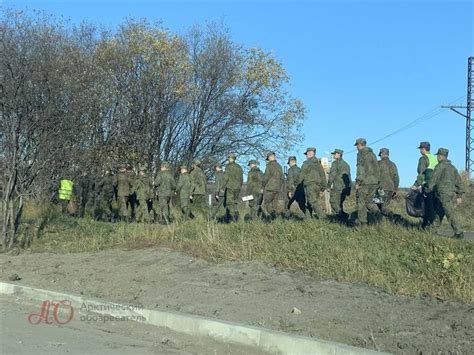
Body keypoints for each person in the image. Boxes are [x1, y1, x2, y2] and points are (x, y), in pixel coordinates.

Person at [426, 148, 465, 239]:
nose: (437, 157)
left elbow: (433, 179)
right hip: (451, 193)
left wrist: (428, 189)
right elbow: (459, 182)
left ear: (440, 156)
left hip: (443, 193)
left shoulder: (440, 166)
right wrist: (459, 195)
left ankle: (458, 232)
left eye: (438, 156)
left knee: (449, 212)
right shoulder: (452, 168)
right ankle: (431, 230)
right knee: (440, 212)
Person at [411, 141, 438, 228]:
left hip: (427, 185)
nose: (420, 151)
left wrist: (416, 184)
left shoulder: (423, 159)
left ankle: (427, 224)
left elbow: (421, 173)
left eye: (420, 149)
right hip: (436, 185)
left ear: (423, 149)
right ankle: (429, 224)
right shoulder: (435, 157)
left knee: (426, 206)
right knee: (433, 206)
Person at [354, 138, 380, 227]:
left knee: (361, 202)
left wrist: (358, 182)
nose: (356, 147)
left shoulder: (361, 154)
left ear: (359, 144)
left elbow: (360, 169)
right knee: (369, 202)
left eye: (357, 145)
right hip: (374, 182)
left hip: (364, 182)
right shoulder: (372, 154)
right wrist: (377, 181)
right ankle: (379, 216)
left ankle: (363, 224)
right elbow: (377, 168)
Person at [298, 147, 327, 219]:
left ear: (310, 153)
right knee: (311, 202)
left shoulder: (306, 163)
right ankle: (308, 218)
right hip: (318, 186)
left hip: (310, 185)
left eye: (307, 154)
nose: (306, 155)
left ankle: (323, 217)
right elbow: (323, 175)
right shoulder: (318, 164)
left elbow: (302, 174)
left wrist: (298, 184)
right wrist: (323, 188)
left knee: (312, 201)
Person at [327, 149, 351, 221]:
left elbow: (332, 175)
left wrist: (328, 185)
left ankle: (344, 215)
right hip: (345, 187)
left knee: (333, 201)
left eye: (334, 154)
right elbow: (349, 177)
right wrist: (349, 188)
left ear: (339, 154)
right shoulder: (346, 164)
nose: (333, 155)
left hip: (337, 186)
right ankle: (341, 221)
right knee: (339, 204)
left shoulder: (335, 163)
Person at [377, 148, 399, 218]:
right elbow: (396, 178)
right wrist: (395, 190)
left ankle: (394, 217)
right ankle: (386, 222)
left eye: (380, 154)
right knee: (383, 206)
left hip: (381, 189)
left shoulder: (378, 163)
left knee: (379, 207)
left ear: (382, 154)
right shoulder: (393, 164)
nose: (380, 156)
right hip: (390, 189)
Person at [261, 151, 284, 220]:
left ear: (269, 158)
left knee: (266, 204)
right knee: (274, 205)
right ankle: (275, 221)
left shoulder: (269, 166)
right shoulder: (279, 166)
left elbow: (266, 177)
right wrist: (279, 186)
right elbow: (282, 178)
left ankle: (272, 217)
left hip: (269, 188)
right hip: (277, 188)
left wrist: (262, 186)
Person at [221, 153, 243, 222]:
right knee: (235, 202)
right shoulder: (239, 167)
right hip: (238, 188)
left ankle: (232, 218)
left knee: (229, 203)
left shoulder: (228, 166)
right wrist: (239, 186)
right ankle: (236, 216)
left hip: (230, 187)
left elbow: (226, 177)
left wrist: (222, 187)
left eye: (228, 158)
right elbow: (241, 179)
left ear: (230, 158)